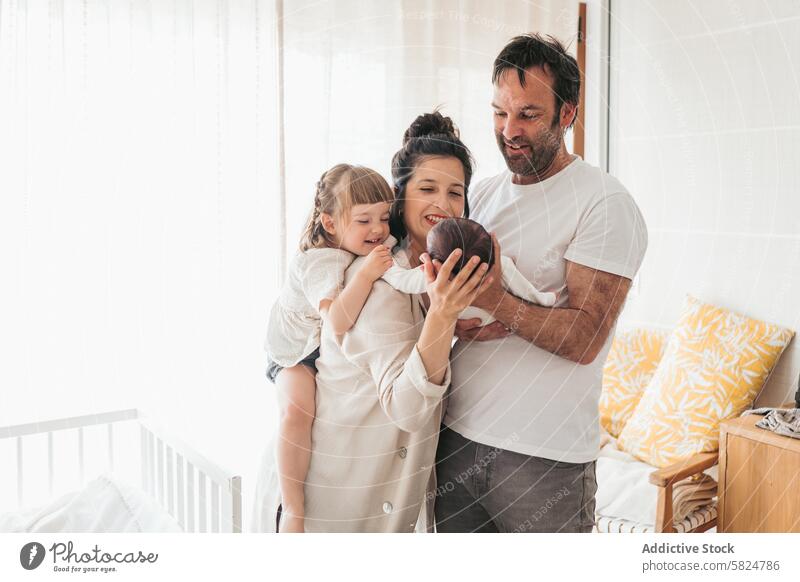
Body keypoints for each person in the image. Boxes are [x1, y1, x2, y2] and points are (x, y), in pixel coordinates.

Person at [434, 33, 649, 533]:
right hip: (455, 440)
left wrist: (496, 302)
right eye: (498, 112)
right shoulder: (481, 195)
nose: (509, 130)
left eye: (528, 114)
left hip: (543, 460)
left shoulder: (603, 202)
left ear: (567, 114)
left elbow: (584, 339)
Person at [253, 111, 491, 532]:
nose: (444, 203)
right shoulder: (372, 278)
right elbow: (407, 406)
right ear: (402, 197)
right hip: (325, 499)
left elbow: (408, 341)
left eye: (456, 192)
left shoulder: (416, 272)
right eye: (427, 188)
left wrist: (454, 323)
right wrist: (444, 314)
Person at [263, 163, 396, 533]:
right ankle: (292, 509)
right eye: (364, 220)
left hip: (315, 343)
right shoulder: (319, 262)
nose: (378, 230)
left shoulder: (360, 243)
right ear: (331, 223)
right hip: (294, 352)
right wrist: (369, 272)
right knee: (298, 411)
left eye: (384, 218)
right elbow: (337, 321)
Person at [382, 216, 557, 324]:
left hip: (466, 321)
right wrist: (543, 299)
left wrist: (386, 262)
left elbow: (400, 281)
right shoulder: (498, 265)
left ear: (432, 257)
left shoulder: (431, 274)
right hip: (493, 319)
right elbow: (523, 288)